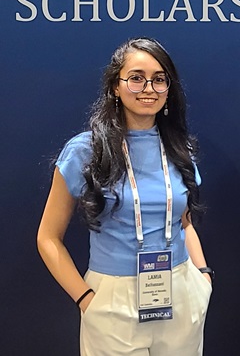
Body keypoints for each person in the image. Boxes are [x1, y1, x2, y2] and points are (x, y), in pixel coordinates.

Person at [37, 37, 213, 356]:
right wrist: (86, 299)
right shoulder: (84, 152)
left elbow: (184, 224)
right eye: (136, 78)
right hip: (112, 299)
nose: (148, 87)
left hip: (181, 292)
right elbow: (48, 237)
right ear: (115, 87)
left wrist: (203, 278)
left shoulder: (179, 149)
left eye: (159, 79)